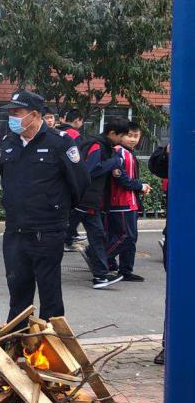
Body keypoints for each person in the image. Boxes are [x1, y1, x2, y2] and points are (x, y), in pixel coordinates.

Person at [0, 90, 89, 320]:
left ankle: (51, 348)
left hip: (47, 231)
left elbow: (80, 182)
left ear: (35, 114)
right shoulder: (9, 142)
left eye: (17, 112)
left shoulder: (60, 142)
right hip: (15, 230)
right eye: (10, 112)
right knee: (18, 293)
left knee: (50, 295)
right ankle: (17, 344)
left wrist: (58, 212)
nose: (12, 117)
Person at [70, 118, 125, 288]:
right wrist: (114, 162)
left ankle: (100, 276)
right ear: (112, 133)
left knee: (96, 237)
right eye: (121, 136)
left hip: (88, 202)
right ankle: (100, 275)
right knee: (62, 236)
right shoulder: (97, 146)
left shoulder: (105, 146)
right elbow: (89, 171)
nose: (122, 140)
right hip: (85, 200)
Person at [105, 120, 150, 283]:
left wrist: (140, 187)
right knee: (126, 236)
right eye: (129, 136)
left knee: (130, 238)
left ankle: (125, 270)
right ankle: (100, 257)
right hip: (120, 202)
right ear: (121, 136)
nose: (133, 139)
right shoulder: (118, 151)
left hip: (130, 202)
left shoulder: (129, 152)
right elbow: (120, 178)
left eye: (136, 136)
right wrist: (140, 185)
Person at [148, 142, 168, 365]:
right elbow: (157, 166)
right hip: (183, 231)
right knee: (179, 293)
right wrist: (168, 151)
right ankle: (170, 345)